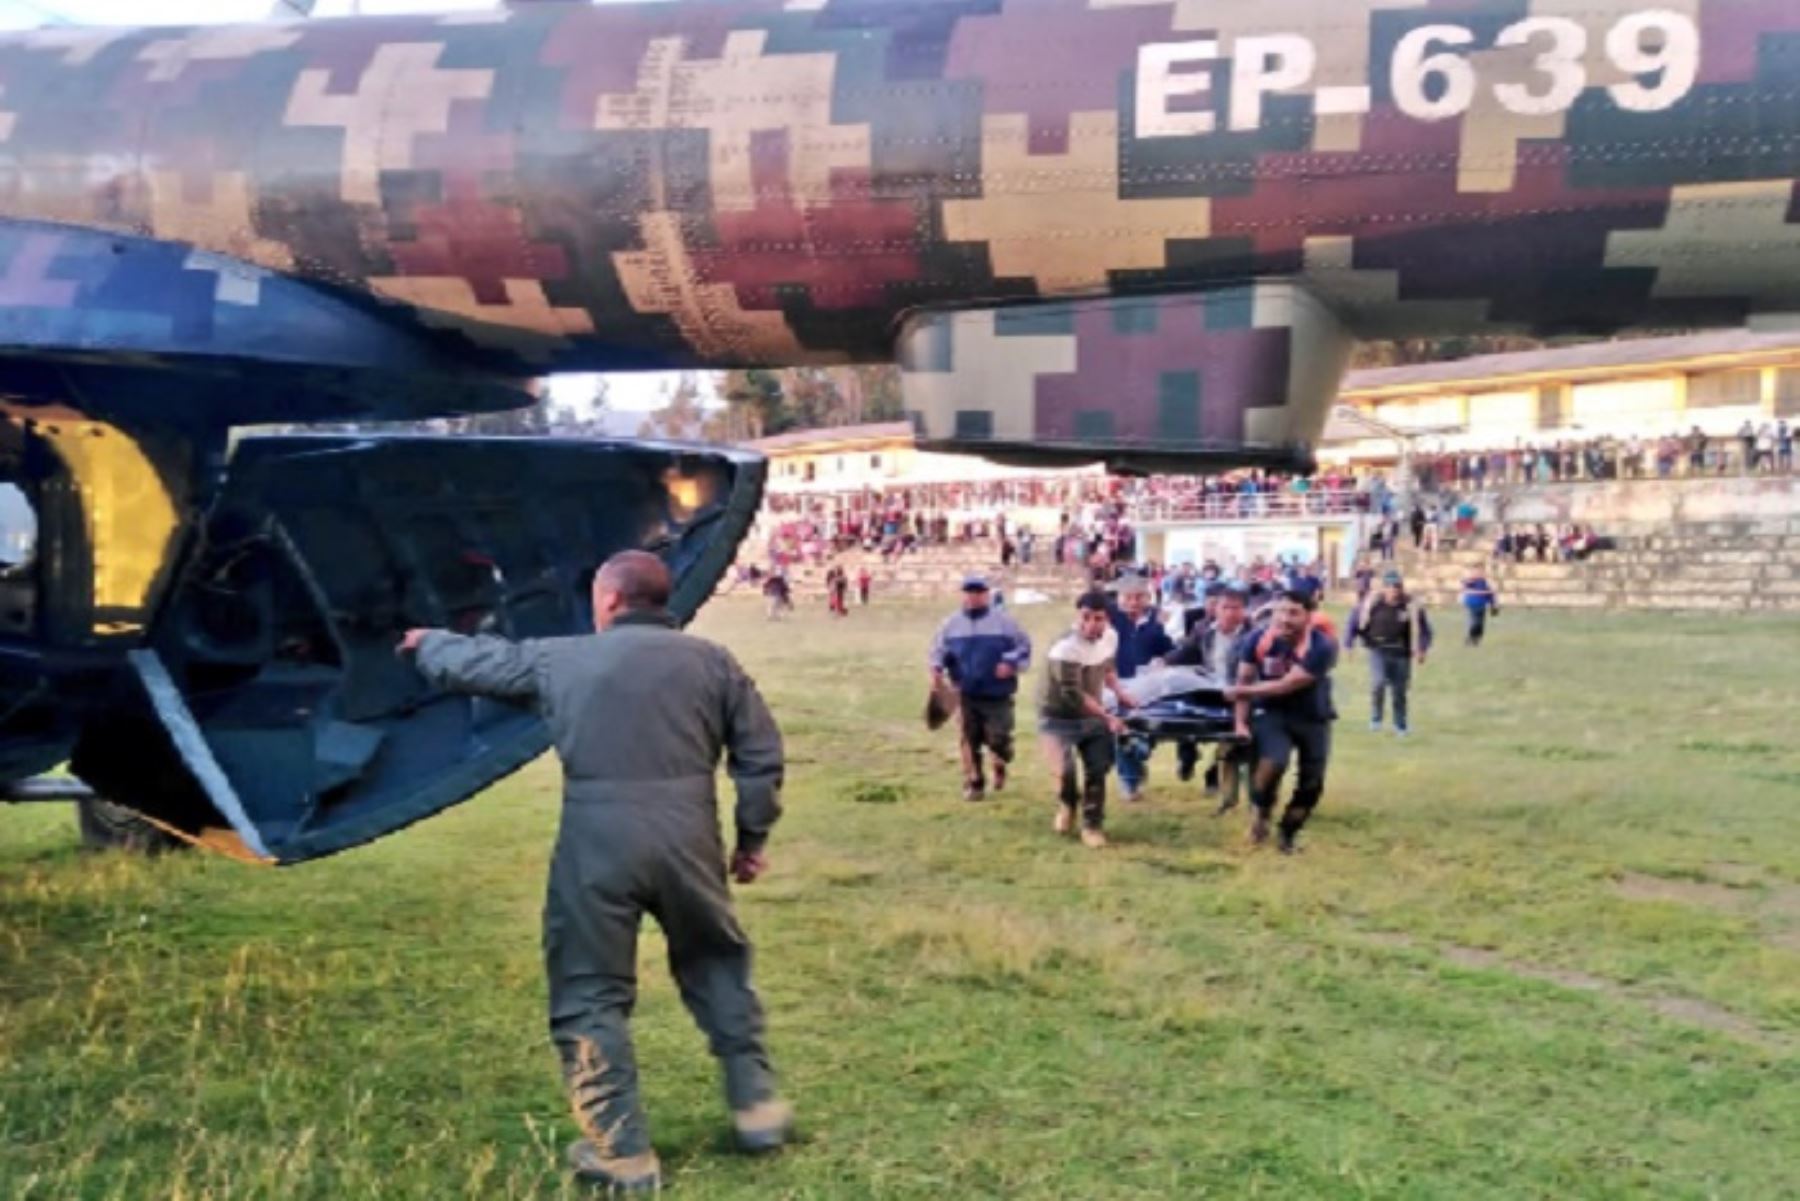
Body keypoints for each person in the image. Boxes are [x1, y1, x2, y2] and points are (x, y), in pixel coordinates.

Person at [399, 551, 790, 1194]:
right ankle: (758, 1110)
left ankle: (622, 1152)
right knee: (716, 961)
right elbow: (761, 756)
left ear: (607, 600)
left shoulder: (563, 658)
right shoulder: (715, 662)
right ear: (661, 601)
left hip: (596, 836)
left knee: (589, 989)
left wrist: (426, 642)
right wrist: (752, 838)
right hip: (690, 835)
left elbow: (479, 663)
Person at [1224, 590, 1339, 854]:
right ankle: (1261, 814)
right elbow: (1244, 679)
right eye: (1280, 611)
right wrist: (1240, 722)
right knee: (1272, 764)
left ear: (1309, 616)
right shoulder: (1257, 639)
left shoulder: (1323, 646)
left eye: (1294, 613)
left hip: (1313, 716)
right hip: (1271, 713)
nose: (1285, 619)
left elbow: (1289, 684)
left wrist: (1243, 693)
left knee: (1312, 783)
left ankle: (1288, 834)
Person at [1039, 590, 1135, 849]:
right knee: (1065, 771)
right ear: (1078, 616)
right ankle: (1067, 804)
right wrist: (1108, 717)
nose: (1091, 624)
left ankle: (1092, 824)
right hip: (1057, 715)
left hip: (1091, 716)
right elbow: (1075, 694)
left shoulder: (1111, 637)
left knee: (1098, 768)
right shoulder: (1065, 648)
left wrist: (1121, 693)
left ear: (1108, 620)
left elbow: (1108, 668)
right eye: (1086, 617)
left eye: (1099, 618)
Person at [928, 576, 1033, 801]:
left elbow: (1024, 648)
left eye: (978, 592)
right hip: (964, 692)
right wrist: (936, 670)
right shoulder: (950, 625)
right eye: (969, 592)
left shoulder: (1005, 623)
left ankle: (1000, 758)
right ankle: (974, 782)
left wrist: (1010, 663)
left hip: (998, 693)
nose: (973, 596)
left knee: (999, 738)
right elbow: (938, 651)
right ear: (962, 594)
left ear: (987, 594)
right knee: (968, 738)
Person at [1168, 583, 1252, 811]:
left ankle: (1223, 791)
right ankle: (1187, 756)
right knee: (1181, 710)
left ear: (1244, 611)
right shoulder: (1203, 630)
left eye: (1236, 608)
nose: (1230, 613)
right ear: (1216, 609)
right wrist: (1163, 662)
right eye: (1225, 607)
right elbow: (1185, 652)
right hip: (1207, 690)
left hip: (1239, 694)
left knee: (1231, 744)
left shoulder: (1254, 635)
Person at [1109, 574, 1174, 803]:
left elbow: (1170, 650)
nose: (1134, 602)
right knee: (1122, 730)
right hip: (1115, 685)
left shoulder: (1157, 623)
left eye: (1139, 597)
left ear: (1147, 598)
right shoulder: (1109, 620)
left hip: (1149, 687)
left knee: (1144, 736)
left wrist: (1163, 660)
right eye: (1128, 597)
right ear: (1119, 599)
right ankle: (1129, 782)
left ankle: (1138, 760)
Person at [1348, 569, 1431, 736]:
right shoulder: (1372, 604)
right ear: (1384, 588)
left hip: (1402, 652)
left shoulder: (1410, 606)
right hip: (1378, 649)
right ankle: (1376, 718)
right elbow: (1354, 623)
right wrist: (1348, 643)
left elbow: (1425, 631)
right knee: (1378, 683)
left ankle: (1400, 725)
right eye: (1390, 586)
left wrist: (1421, 648)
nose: (1394, 590)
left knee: (1399, 690)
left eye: (1397, 586)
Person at [1461, 571, 1500, 646]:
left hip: (1482, 605)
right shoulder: (1471, 581)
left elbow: (1490, 594)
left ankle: (1477, 639)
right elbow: (1465, 583)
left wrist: (1493, 604)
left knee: (1480, 624)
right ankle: (1470, 638)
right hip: (1472, 604)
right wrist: (1471, 579)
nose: (1479, 574)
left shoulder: (1484, 583)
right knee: (1474, 622)